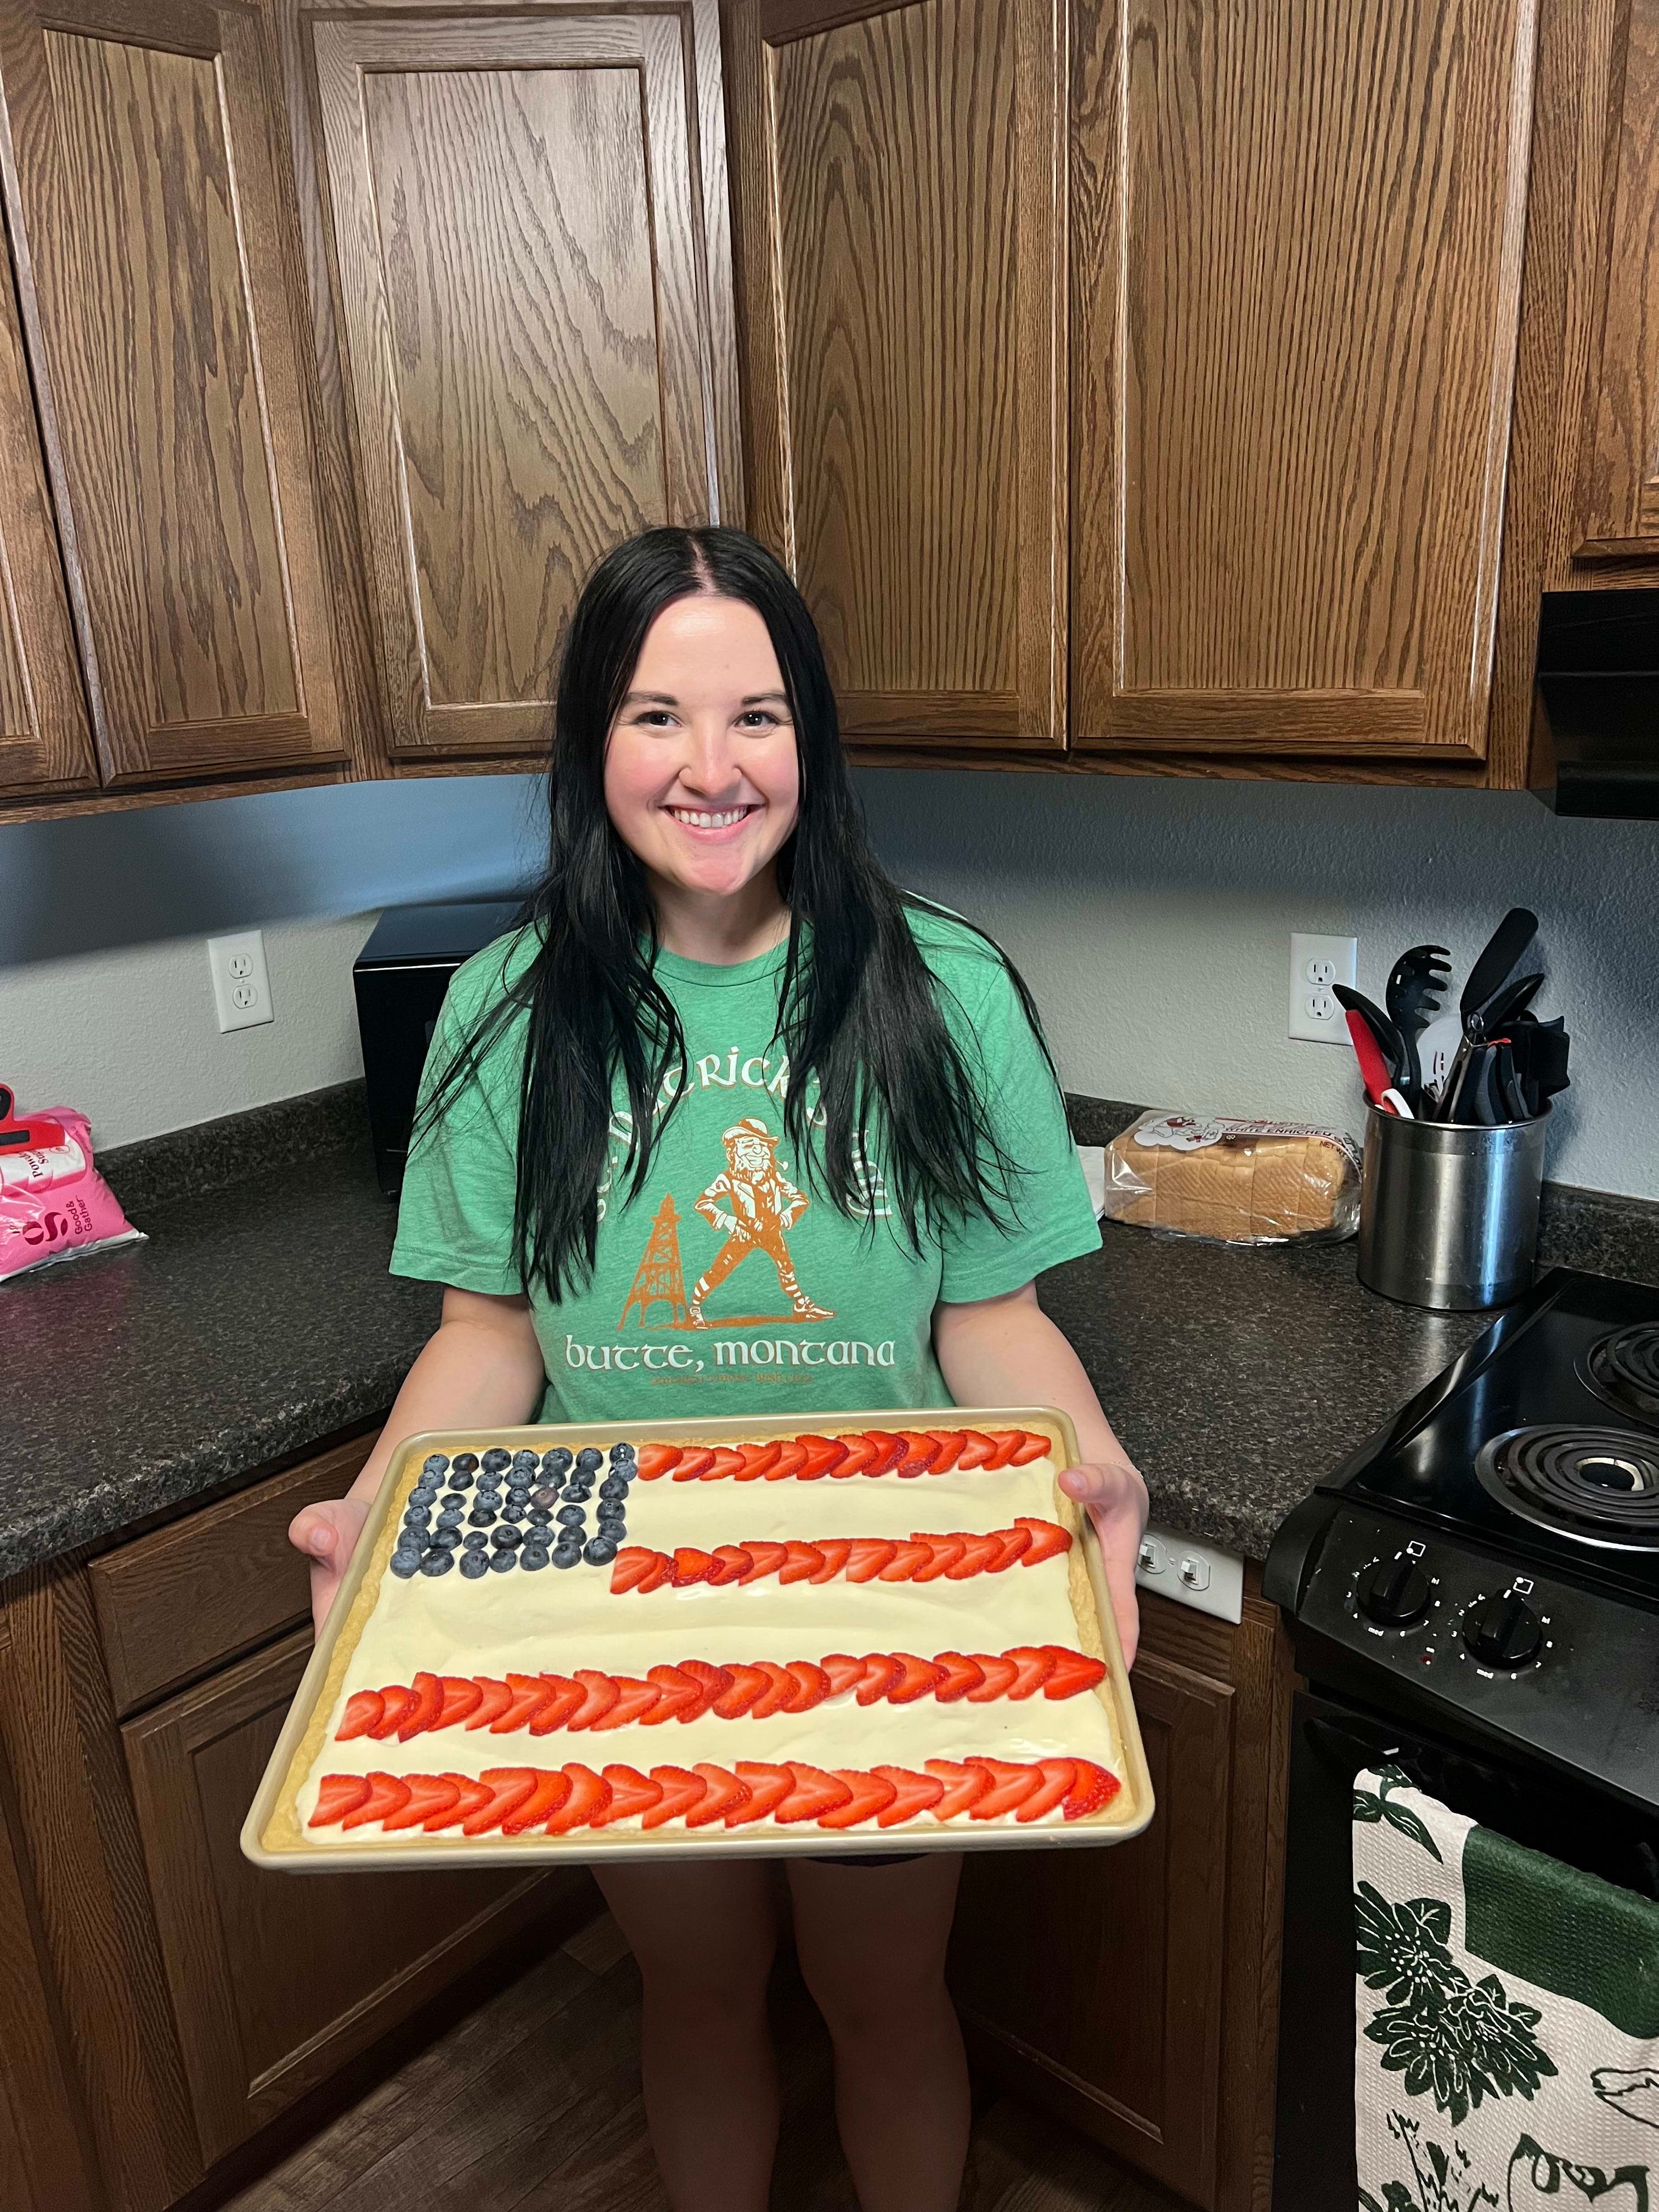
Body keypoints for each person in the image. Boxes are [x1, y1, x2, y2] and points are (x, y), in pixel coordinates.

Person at [290, 526, 1149, 2212]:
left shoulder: (943, 988)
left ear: (810, 740)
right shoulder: (500, 1012)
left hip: (888, 1595)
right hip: (623, 1607)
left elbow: (991, 1312)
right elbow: (491, 1336)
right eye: (652, 715)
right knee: (692, 1994)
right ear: (587, 745)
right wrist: (381, 1514)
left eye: (755, 714)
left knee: (883, 1994)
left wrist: (1091, 1468)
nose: (708, 766)